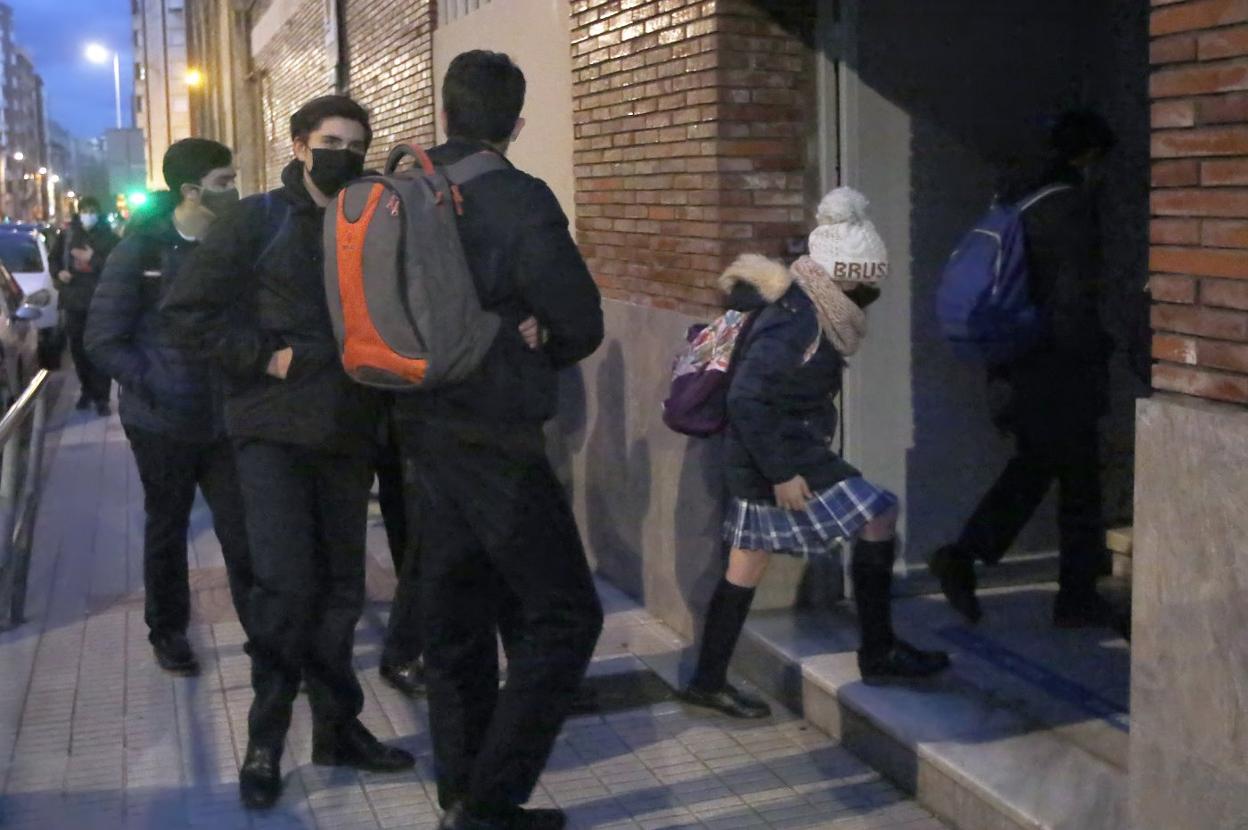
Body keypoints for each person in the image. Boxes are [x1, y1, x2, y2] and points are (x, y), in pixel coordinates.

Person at [162, 95, 414, 811]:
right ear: (301, 145)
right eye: (331, 140)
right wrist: (261, 357)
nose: (344, 153)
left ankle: (338, 728)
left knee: (340, 589)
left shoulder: (368, 219)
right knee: (284, 590)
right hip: (270, 431)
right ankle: (265, 738)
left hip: (347, 430)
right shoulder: (256, 219)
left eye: (356, 143)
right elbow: (185, 313)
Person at [390, 51, 604, 830]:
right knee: (567, 617)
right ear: (514, 123)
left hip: (419, 427)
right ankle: (488, 805)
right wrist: (540, 336)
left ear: (445, 112)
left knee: (455, 620)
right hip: (497, 437)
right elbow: (580, 323)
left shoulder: (400, 189)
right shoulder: (517, 198)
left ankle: (460, 793)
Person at [679, 189, 950, 720]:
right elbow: (747, 398)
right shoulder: (798, 316)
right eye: (865, 280)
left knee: (745, 566)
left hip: (771, 450)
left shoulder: (803, 301)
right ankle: (878, 652)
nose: (869, 291)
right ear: (843, 273)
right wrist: (782, 474)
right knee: (878, 513)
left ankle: (708, 680)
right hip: (779, 454)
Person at [929, 110, 1120, 630]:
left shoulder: (1017, 200)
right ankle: (1073, 596)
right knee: (1078, 484)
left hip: (1017, 366)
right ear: (1090, 157)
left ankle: (967, 557)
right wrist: (1098, 357)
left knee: (1038, 468)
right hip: (1060, 369)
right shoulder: (1070, 209)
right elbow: (1073, 303)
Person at [85, 139, 254, 677]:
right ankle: (169, 631)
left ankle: (265, 632)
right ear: (192, 190)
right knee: (168, 526)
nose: (235, 190)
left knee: (242, 528)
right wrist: (154, 383)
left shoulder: (234, 243)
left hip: (225, 414)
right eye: (226, 181)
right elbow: (102, 338)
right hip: (160, 419)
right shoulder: (142, 250)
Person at [51, 196, 118, 414]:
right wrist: (59, 273)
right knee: (78, 351)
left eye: (92, 210)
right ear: (79, 212)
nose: (89, 214)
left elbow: (116, 266)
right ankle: (87, 390)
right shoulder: (68, 235)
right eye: (85, 210)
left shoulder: (108, 237)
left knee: (99, 350)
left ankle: (102, 397)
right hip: (74, 302)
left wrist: (93, 258)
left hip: (100, 302)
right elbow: (54, 260)